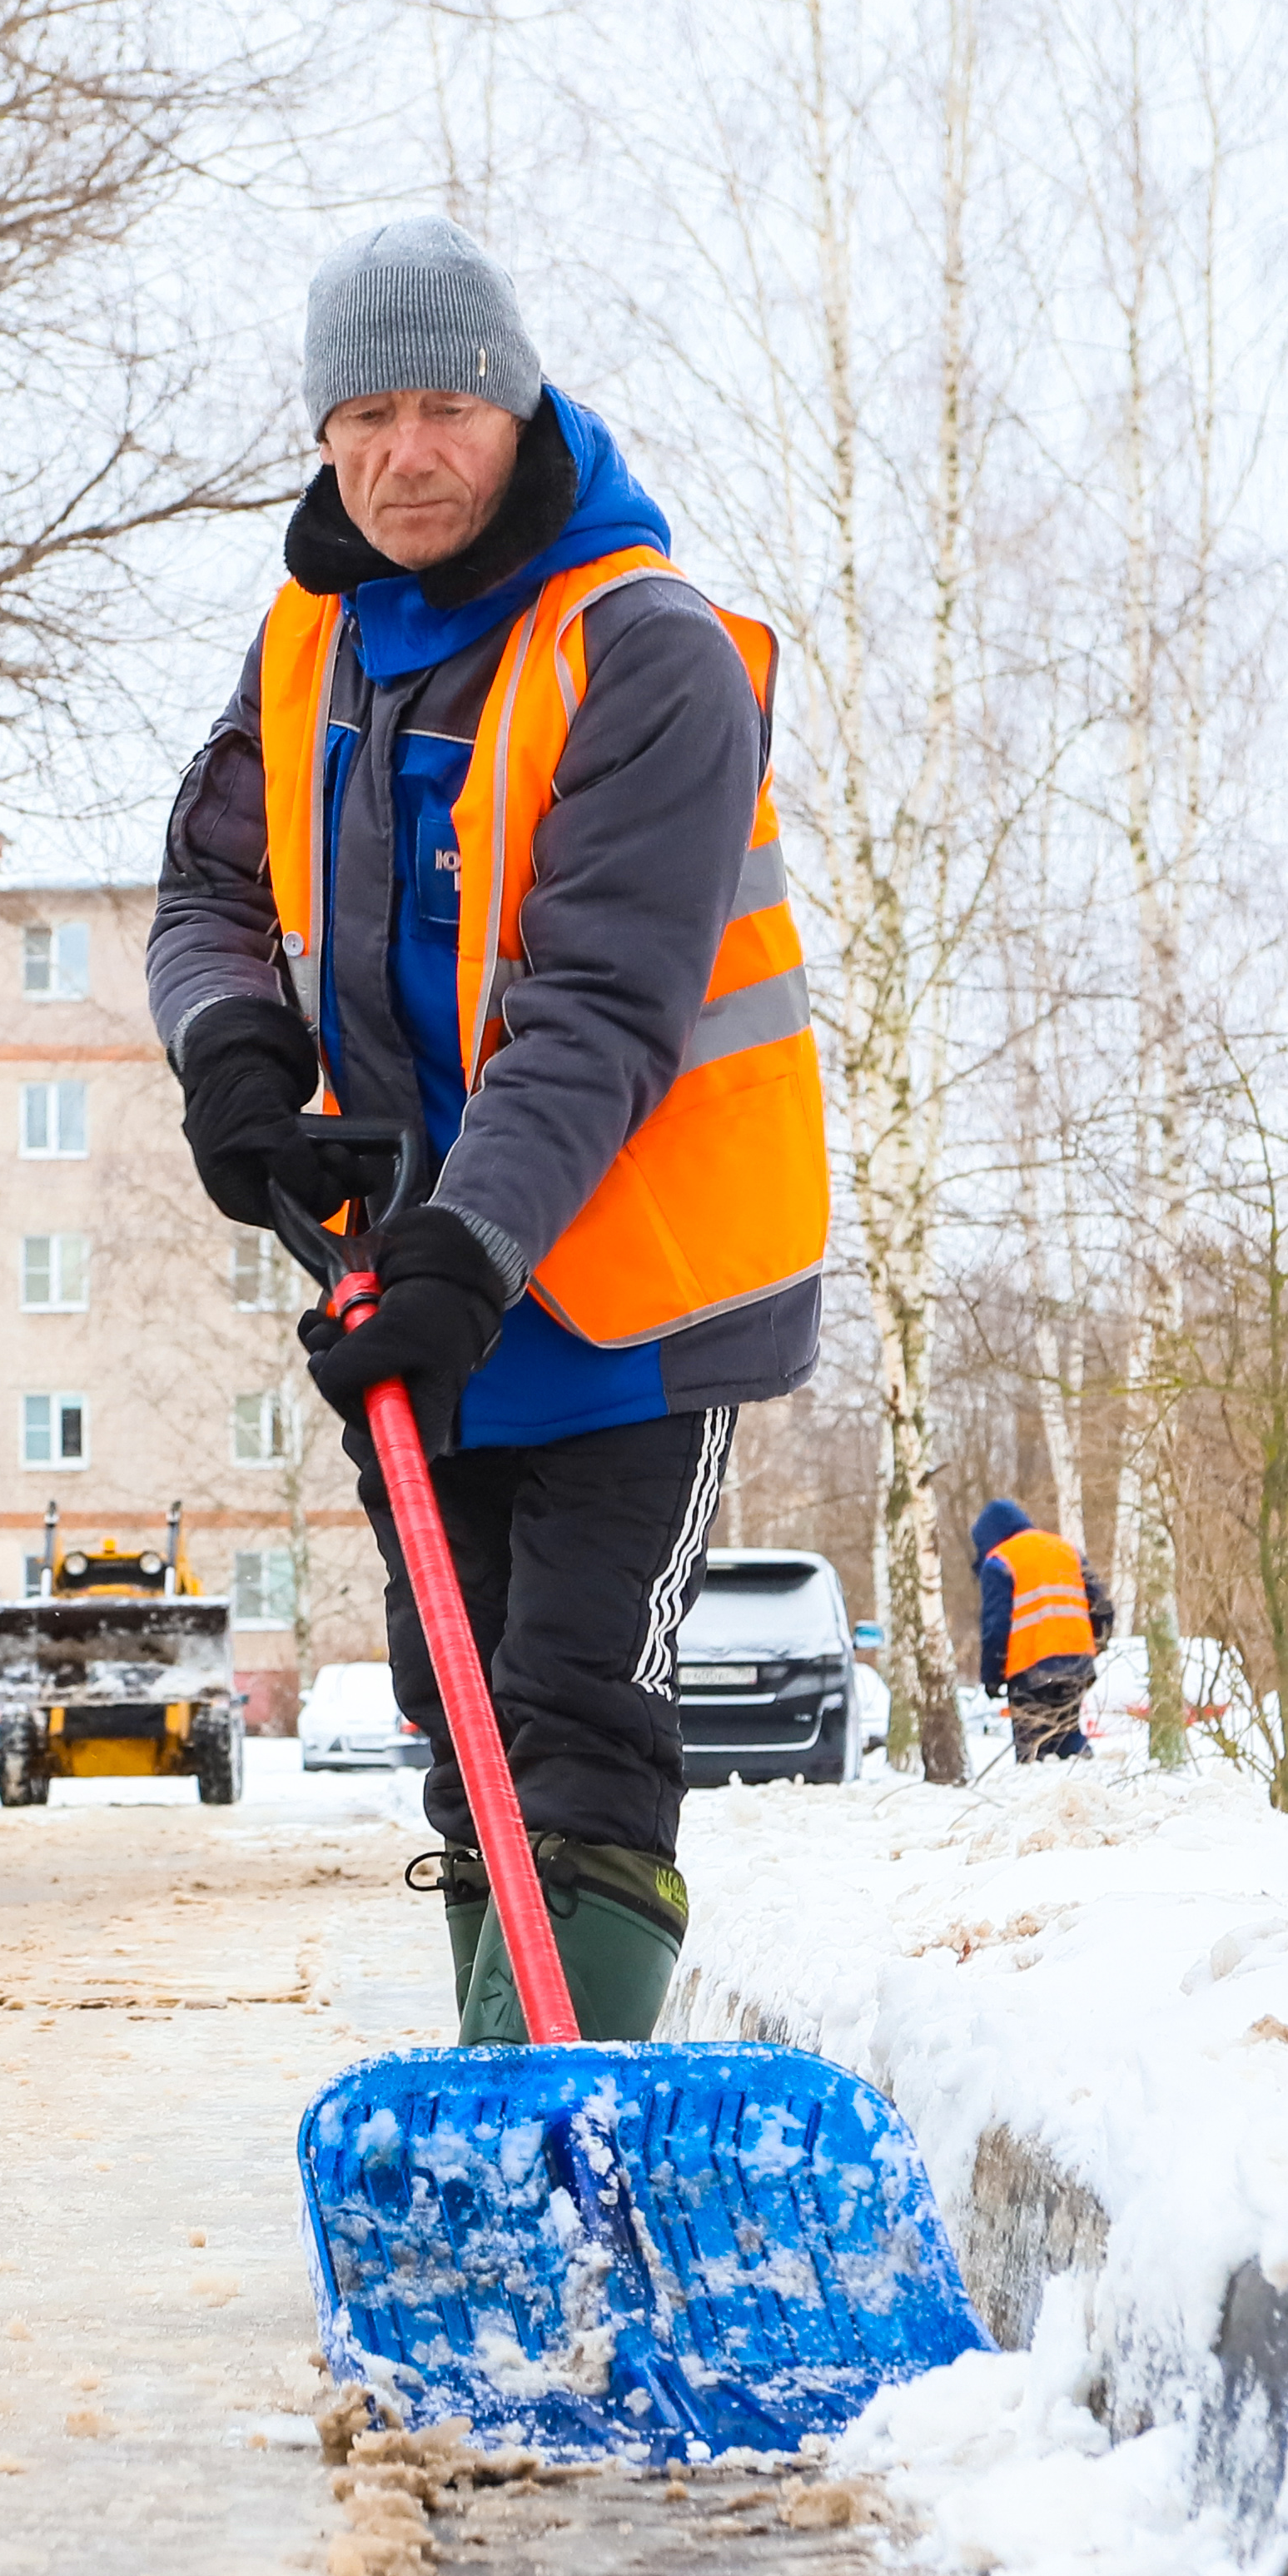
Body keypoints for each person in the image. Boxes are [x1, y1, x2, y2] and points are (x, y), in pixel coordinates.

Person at [148, 218, 825, 2042]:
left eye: (438, 404)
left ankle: (570, 2115)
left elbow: (603, 1005)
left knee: (571, 1692)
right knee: (457, 1708)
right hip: (417, 1280)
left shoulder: (650, 651)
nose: (399, 453)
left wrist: (463, 1240)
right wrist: (232, 1063)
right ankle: (495, 2114)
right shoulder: (309, 639)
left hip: (628, 1279)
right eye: (359, 413)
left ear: (514, 405)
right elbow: (211, 885)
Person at [972, 1499, 1110, 1763]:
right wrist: (1095, 1646)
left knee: (1033, 1747)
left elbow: (996, 1628)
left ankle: (1041, 1793)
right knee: (1068, 1732)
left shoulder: (999, 1562)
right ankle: (1086, 1787)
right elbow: (1102, 1607)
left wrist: (992, 1676)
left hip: (1030, 1669)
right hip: (1078, 1664)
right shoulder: (1066, 1549)